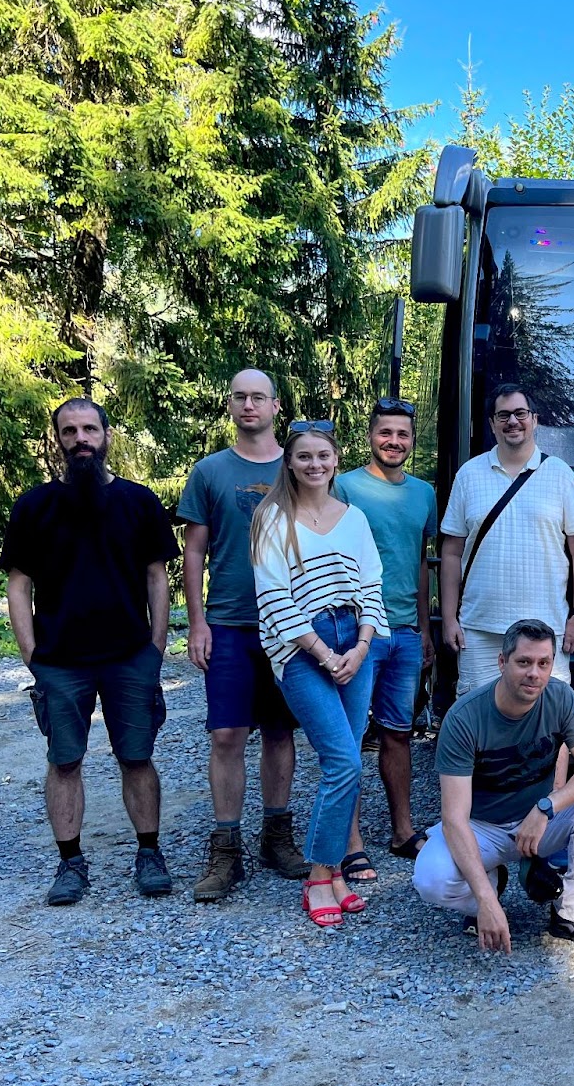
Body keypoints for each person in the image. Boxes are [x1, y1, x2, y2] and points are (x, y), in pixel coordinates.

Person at [2, 397, 180, 905]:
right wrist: (30, 653)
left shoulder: (138, 501)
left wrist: (156, 646)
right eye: (69, 431)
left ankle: (149, 853)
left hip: (129, 655)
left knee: (137, 757)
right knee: (64, 761)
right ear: (57, 439)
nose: (80, 439)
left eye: (89, 429)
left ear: (106, 435)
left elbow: (156, 576)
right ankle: (70, 864)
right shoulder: (34, 506)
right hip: (60, 661)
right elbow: (19, 584)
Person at [178, 369, 309, 903]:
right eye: (240, 397)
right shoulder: (210, 471)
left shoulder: (301, 464)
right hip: (230, 622)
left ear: (277, 406)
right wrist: (197, 623)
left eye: (259, 397)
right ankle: (225, 848)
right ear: (229, 404)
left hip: (291, 623)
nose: (249, 405)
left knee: (281, 732)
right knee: (227, 735)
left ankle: (276, 835)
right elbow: (193, 552)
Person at [251, 421, 389, 927]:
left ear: (335, 460)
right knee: (343, 763)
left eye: (323, 456)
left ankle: (332, 873)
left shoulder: (353, 518)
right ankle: (317, 876)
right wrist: (326, 657)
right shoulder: (272, 519)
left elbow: (373, 584)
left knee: (349, 760)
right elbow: (273, 598)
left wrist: (361, 646)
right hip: (301, 647)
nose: (315, 465)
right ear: (289, 462)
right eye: (304, 456)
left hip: (355, 638)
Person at [412, 619, 574, 954]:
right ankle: (490, 886)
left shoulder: (561, 697)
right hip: (483, 827)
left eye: (543, 663)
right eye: (523, 662)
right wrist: (486, 902)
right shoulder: (465, 718)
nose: (534, 674)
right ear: (502, 662)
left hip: (538, 821)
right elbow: (454, 818)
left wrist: (547, 806)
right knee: (430, 879)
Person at [440, 384, 574, 695]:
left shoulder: (561, 474)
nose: (513, 421)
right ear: (492, 423)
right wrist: (448, 618)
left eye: (520, 413)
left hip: (545, 627)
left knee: (549, 723)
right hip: (480, 629)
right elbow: (452, 552)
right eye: (504, 415)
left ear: (534, 420)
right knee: (478, 722)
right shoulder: (468, 475)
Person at [337, 396, 438, 861]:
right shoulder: (344, 487)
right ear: (370, 436)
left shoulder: (424, 493)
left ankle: (402, 831)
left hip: (405, 633)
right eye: (385, 432)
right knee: (351, 735)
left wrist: (424, 627)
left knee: (398, 732)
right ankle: (350, 839)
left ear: (412, 441)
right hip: (358, 629)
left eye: (402, 434)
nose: (393, 441)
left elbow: (420, 561)